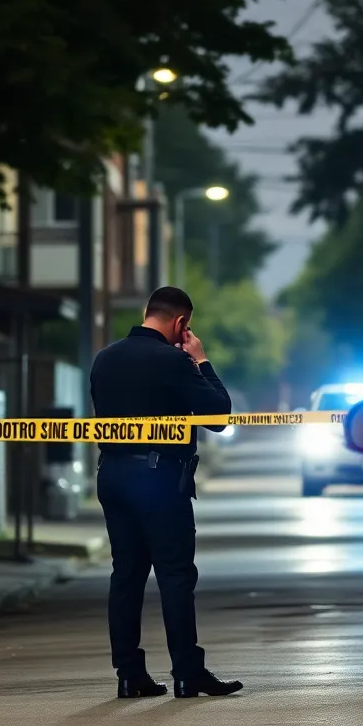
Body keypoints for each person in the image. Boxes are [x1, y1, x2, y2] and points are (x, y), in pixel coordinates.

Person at [89, 286, 243, 699]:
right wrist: (202, 361)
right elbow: (219, 416)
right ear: (180, 323)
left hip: (112, 476)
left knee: (126, 575)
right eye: (185, 328)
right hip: (158, 477)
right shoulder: (174, 361)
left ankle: (128, 674)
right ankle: (187, 673)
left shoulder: (105, 359)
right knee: (175, 575)